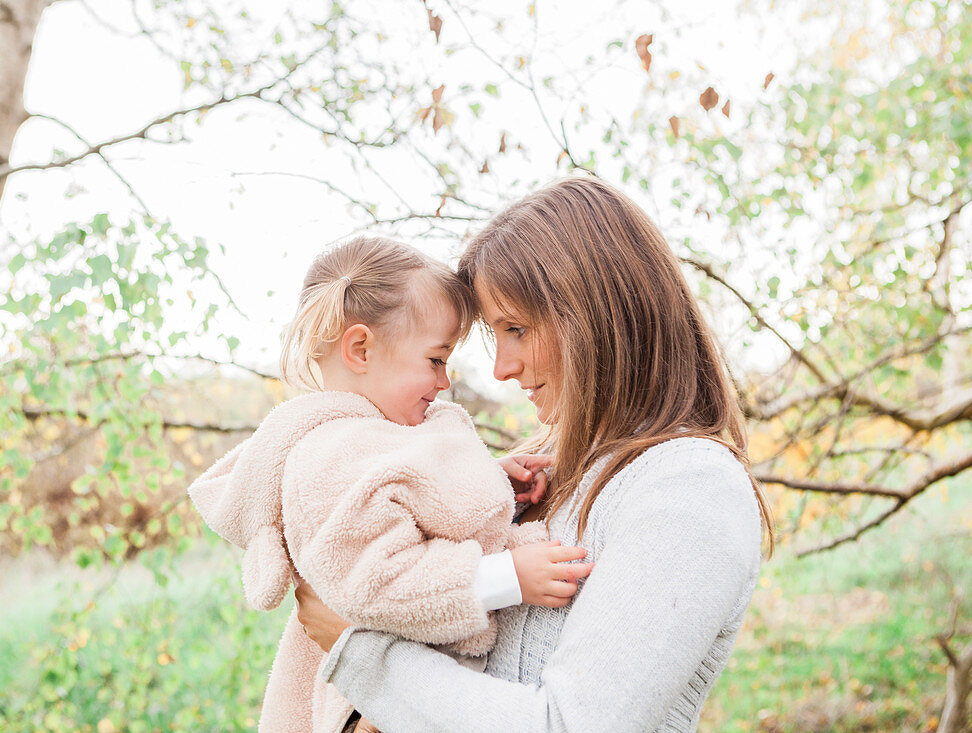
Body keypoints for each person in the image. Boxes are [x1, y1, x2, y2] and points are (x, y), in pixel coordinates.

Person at [294, 177, 776, 732]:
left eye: (516, 329)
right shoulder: (548, 471)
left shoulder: (689, 486)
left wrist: (358, 655)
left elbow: (568, 726)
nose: (501, 367)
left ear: (597, 316)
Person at [186, 236, 593, 733]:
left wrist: (492, 480)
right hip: (369, 712)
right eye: (436, 360)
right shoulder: (328, 459)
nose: (445, 382)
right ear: (361, 349)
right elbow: (376, 581)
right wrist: (505, 577)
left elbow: (413, 503)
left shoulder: (382, 434)